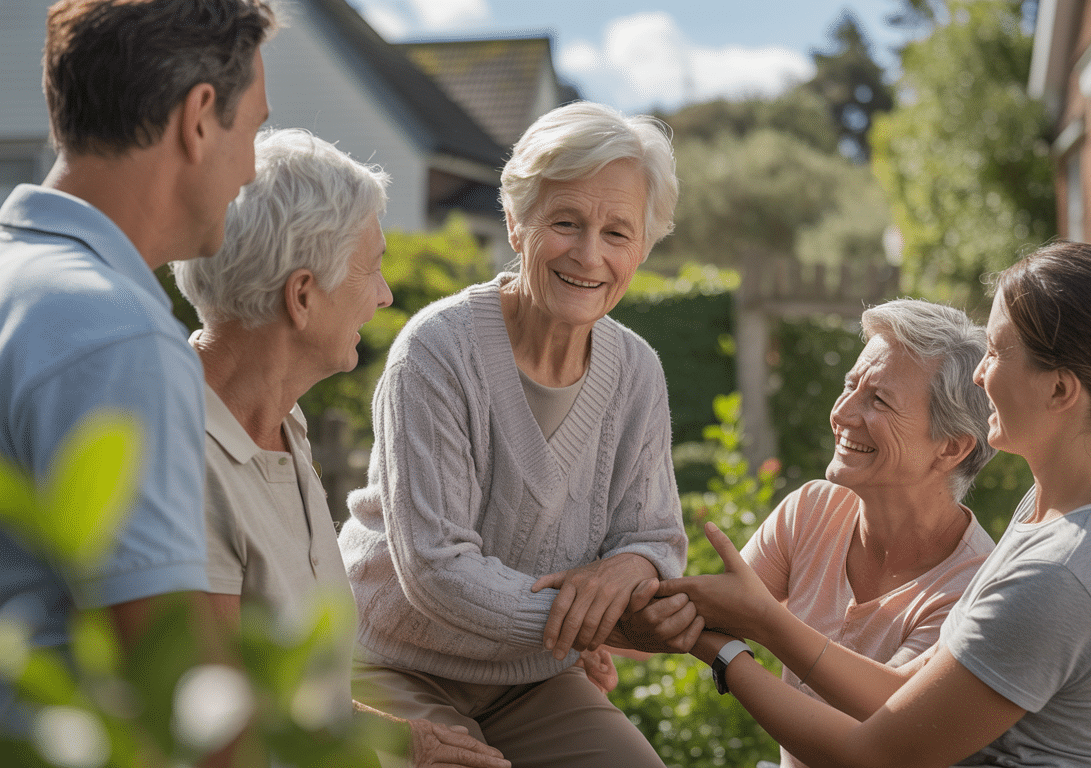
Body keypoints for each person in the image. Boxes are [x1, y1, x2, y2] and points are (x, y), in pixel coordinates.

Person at [656, 241, 1091, 768]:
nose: (982, 375)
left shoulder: (1060, 573)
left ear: (1059, 390)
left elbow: (875, 755)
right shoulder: (1089, 515)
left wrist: (734, 650)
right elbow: (904, 694)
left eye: (998, 352)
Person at [338, 101, 687, 768]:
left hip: (532, 677)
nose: (590, 255)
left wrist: (628, 566)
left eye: (618, 232)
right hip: (392, 661)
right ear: (516, 224)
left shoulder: (637, 368)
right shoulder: (437, 351)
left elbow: (656, 535)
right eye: (565, 222)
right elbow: (437, 570)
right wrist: (597, 621)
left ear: (643, 246)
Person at [172, 128, 508, 768]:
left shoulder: (281, 423)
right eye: (372, 266)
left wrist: (402, 738)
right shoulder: (184, 463)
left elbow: (285, 691)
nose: (385, 295)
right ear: (301, 297)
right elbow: (211, 733)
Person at [0, 0, 273, 734]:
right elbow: (180, 691)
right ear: (199, 117)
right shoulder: (119, 336)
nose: (250, 168)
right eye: (254, 129)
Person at [735, 299, 996, 768]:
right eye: (850, 385)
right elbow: (704, 615)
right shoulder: (812, 510)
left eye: (878, 400)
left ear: (951, 447)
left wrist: (731, 652)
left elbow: (869, 739)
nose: (843, 413)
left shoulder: (975, 589)